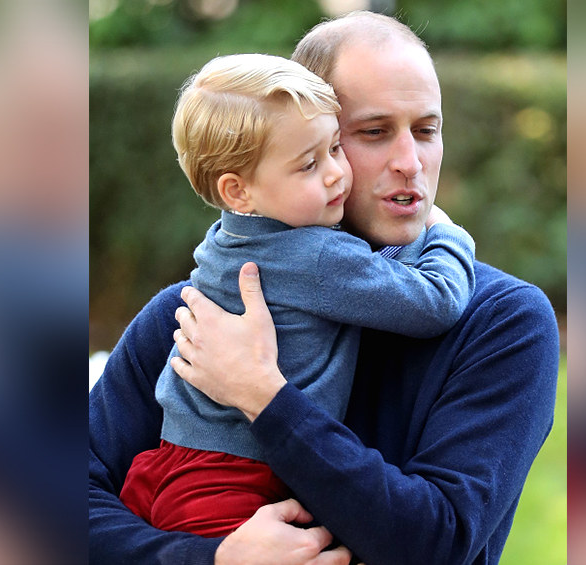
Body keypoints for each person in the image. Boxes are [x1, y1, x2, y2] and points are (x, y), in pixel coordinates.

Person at [89, 11, 559, 565]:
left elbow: (438, 541)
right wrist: (213, 560)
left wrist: (263, 395)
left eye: (426, 130)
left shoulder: (503, 322)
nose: (410, 163)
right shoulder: (199, 318)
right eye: (373, 132)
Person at [117, 52, 476, 538]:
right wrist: (447, 233)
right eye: (309, 164)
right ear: (238, 191)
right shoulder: (315, 256)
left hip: (168, 464)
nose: (334, 174)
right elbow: (436, 302)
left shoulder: (227, 240)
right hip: (232, 480)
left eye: (334, 149)